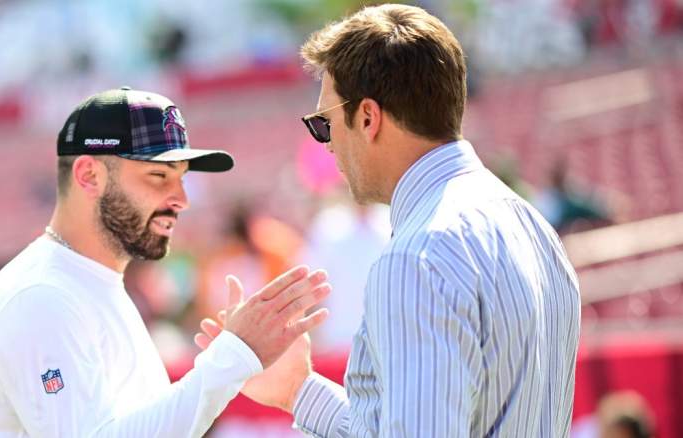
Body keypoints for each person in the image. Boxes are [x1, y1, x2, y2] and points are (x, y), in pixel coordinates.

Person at [195, 4, 581, 436]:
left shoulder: (417, 258)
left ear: (367, 118)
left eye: (324, 124)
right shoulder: (534, 227)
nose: (326, 144)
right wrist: (297, 391)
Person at [0, 87, 332, 437]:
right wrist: (234, 357)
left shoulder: (92, 281)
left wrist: (237, 364)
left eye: (182, 178)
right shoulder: (42, 295)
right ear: (89, 176)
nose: (180, 200)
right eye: (158, 176)